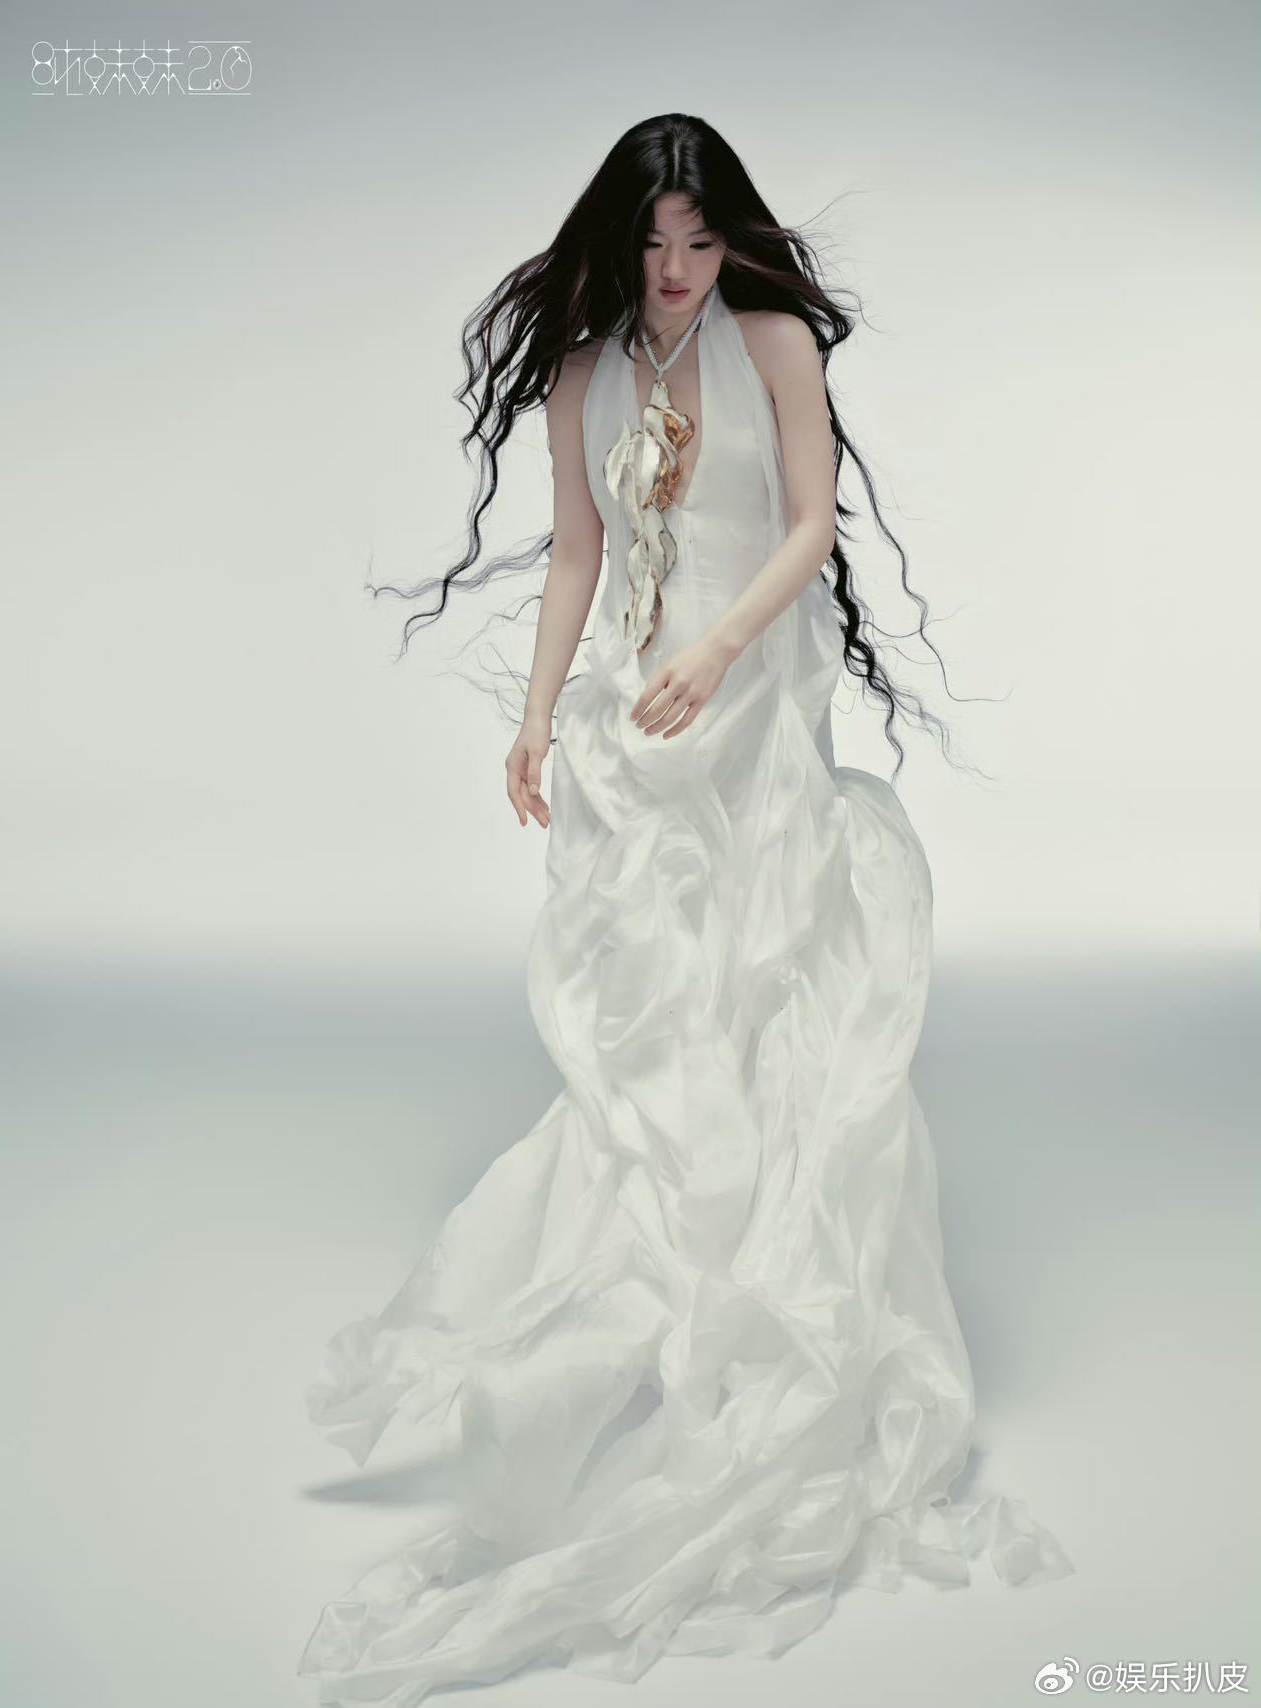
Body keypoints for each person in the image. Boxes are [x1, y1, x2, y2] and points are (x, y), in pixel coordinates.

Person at [297, 113, 1074, 1707]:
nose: (672, 274)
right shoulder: (584, 377)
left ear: (732, 243)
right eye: (652, 248)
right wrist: (534, 719)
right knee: (650, 1008)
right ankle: (668, 1303)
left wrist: (720, 652)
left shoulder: (776, 344)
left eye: (698, 246)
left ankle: (770, 1317)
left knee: (766, 978)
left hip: (749, 702)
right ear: (616, 244)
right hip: (633, 721)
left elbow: (809, 526)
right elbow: (577, 554)